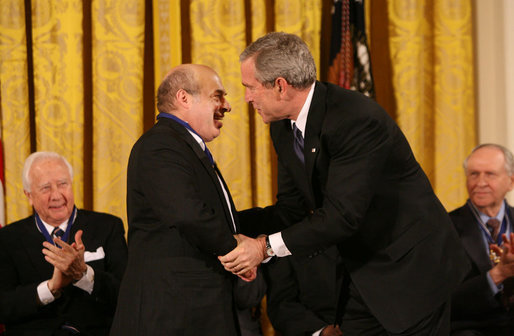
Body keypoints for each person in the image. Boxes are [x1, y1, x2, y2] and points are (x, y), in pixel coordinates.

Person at [219, 32, 470, 335]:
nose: (246, 98)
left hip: (412, 271)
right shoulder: (282, 127)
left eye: (250, 87)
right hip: (364, 274)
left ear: (280, 86)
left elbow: (342, 217)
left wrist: (263, 248)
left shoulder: (355, 119)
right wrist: (227, 226)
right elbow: (291, 209)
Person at [110, 64, 258, 336]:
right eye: (218, 96)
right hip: (172, 314)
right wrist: (238, 252)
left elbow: (216, 216)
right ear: (184, 98)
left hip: (194, 310)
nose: (227, 105)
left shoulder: (183, 146)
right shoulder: (160, 145)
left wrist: (280, 221)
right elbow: (188, 215)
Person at [0, 151, 128, 335]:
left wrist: (84, 274)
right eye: (45, 188)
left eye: (62, 184)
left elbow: (126, 292)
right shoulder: (7, 238)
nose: (56, 195)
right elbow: (3, 305)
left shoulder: (108, 226)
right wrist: (51, 288)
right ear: (28, 195)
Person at [449, 144, 514, 336]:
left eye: (490, 174)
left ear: (510, 182)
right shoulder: (445, 227)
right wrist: (496, 276)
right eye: (474, 174)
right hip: (470, 328)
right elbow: (441, 299)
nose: (480, 182)